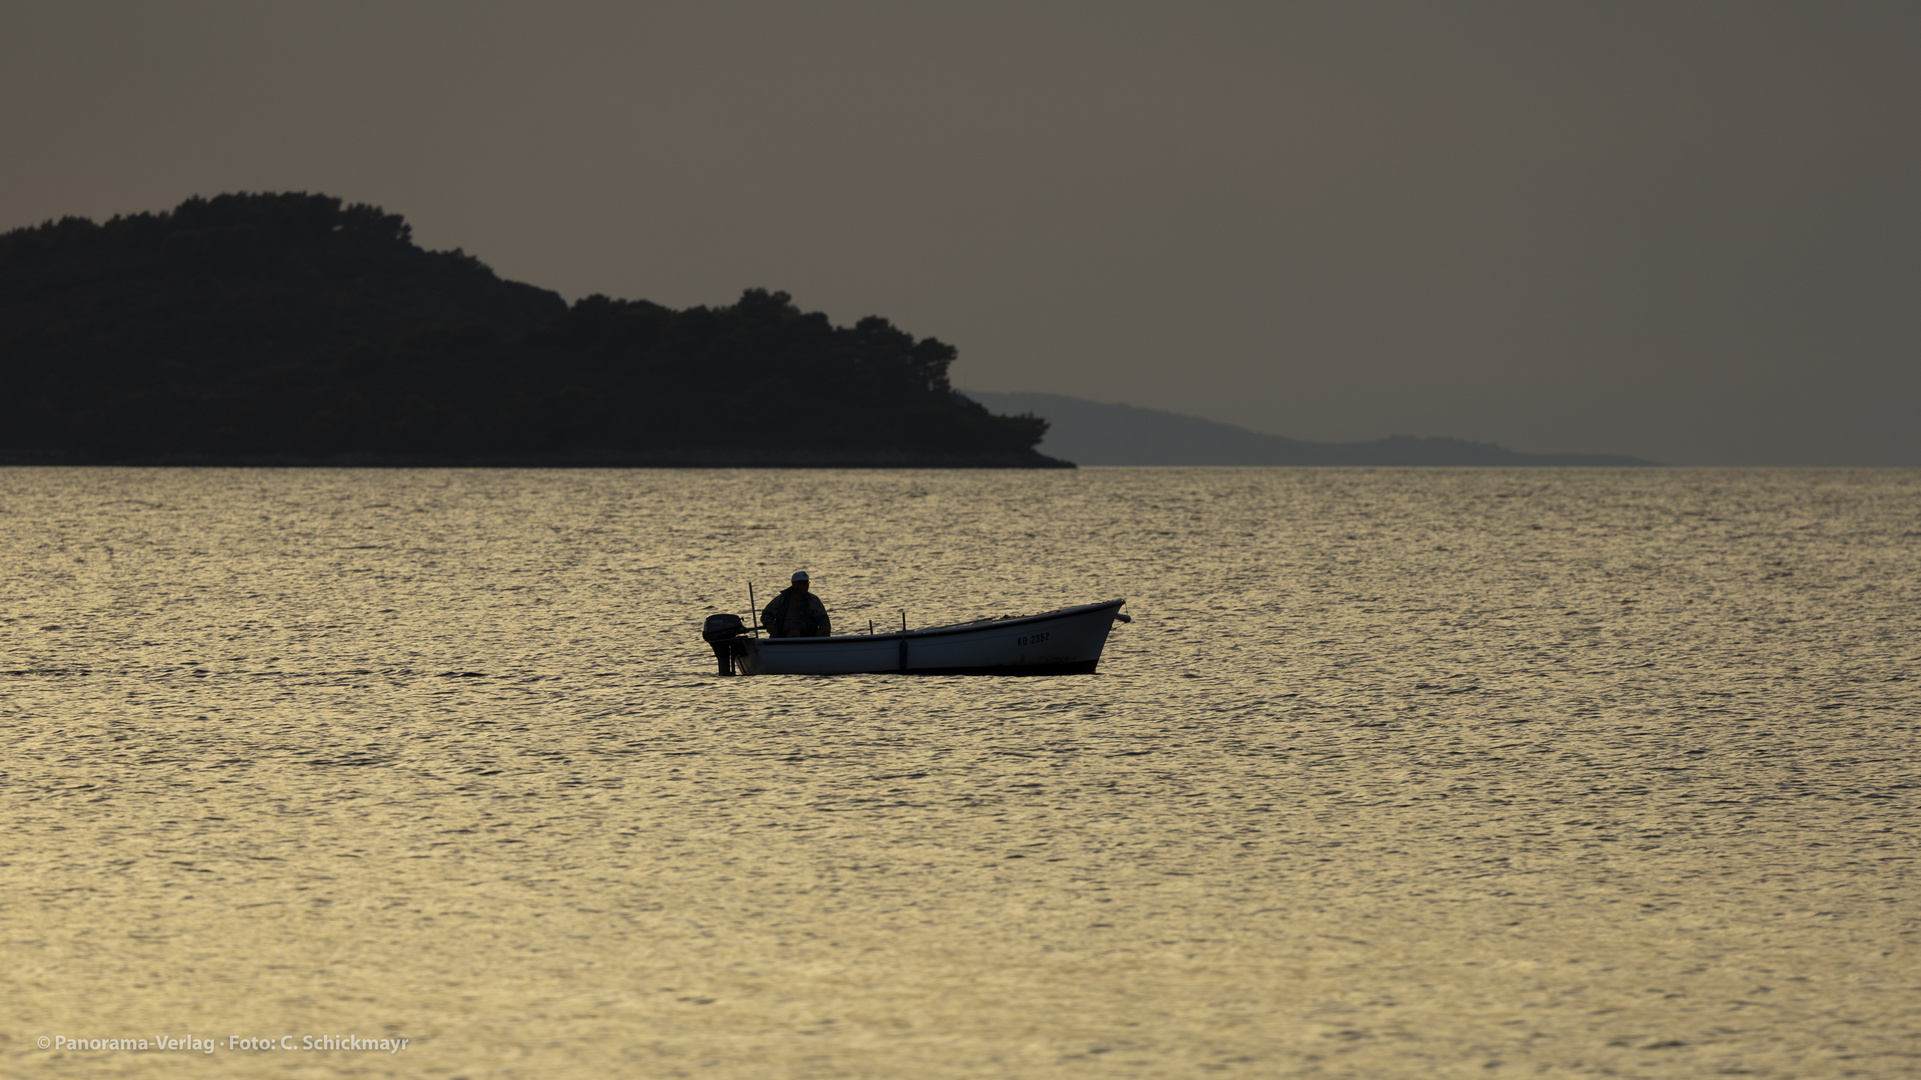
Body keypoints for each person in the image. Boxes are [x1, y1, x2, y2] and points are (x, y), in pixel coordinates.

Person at [761, 570, 832, 638]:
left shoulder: (813, 600)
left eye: (807, 583)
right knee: (794, 633)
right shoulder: (782, 599)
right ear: (794, 584)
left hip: (809, 633)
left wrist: (825, 627)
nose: (806, 586)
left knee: (824, 633)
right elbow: (767, 613)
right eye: (803, 583)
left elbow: (822, 617)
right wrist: (769, 624)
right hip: (784, 634)